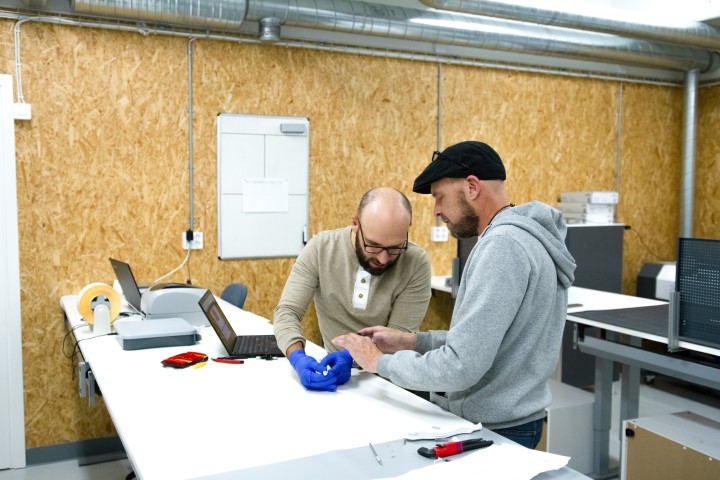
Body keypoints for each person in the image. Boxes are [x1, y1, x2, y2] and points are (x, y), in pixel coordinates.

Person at [333, 141, 576, 448]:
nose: (436, 211)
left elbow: (460, 367)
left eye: (439, 197)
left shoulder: (503, 247)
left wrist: (378, 362)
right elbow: (491, 342)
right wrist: (414, 342)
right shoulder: (524, 238)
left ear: (472, 187)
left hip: (495, 429)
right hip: (515, 419)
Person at [274, 186, 432, 392]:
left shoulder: (416, 262)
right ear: (355, 224)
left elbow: (398, 334)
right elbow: (287, 311)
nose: (383, 258)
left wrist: (350, 355)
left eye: (394, 248)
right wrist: (297, 357)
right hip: (336, 380)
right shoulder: (321, 249)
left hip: (388, 380)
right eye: (373, 245)